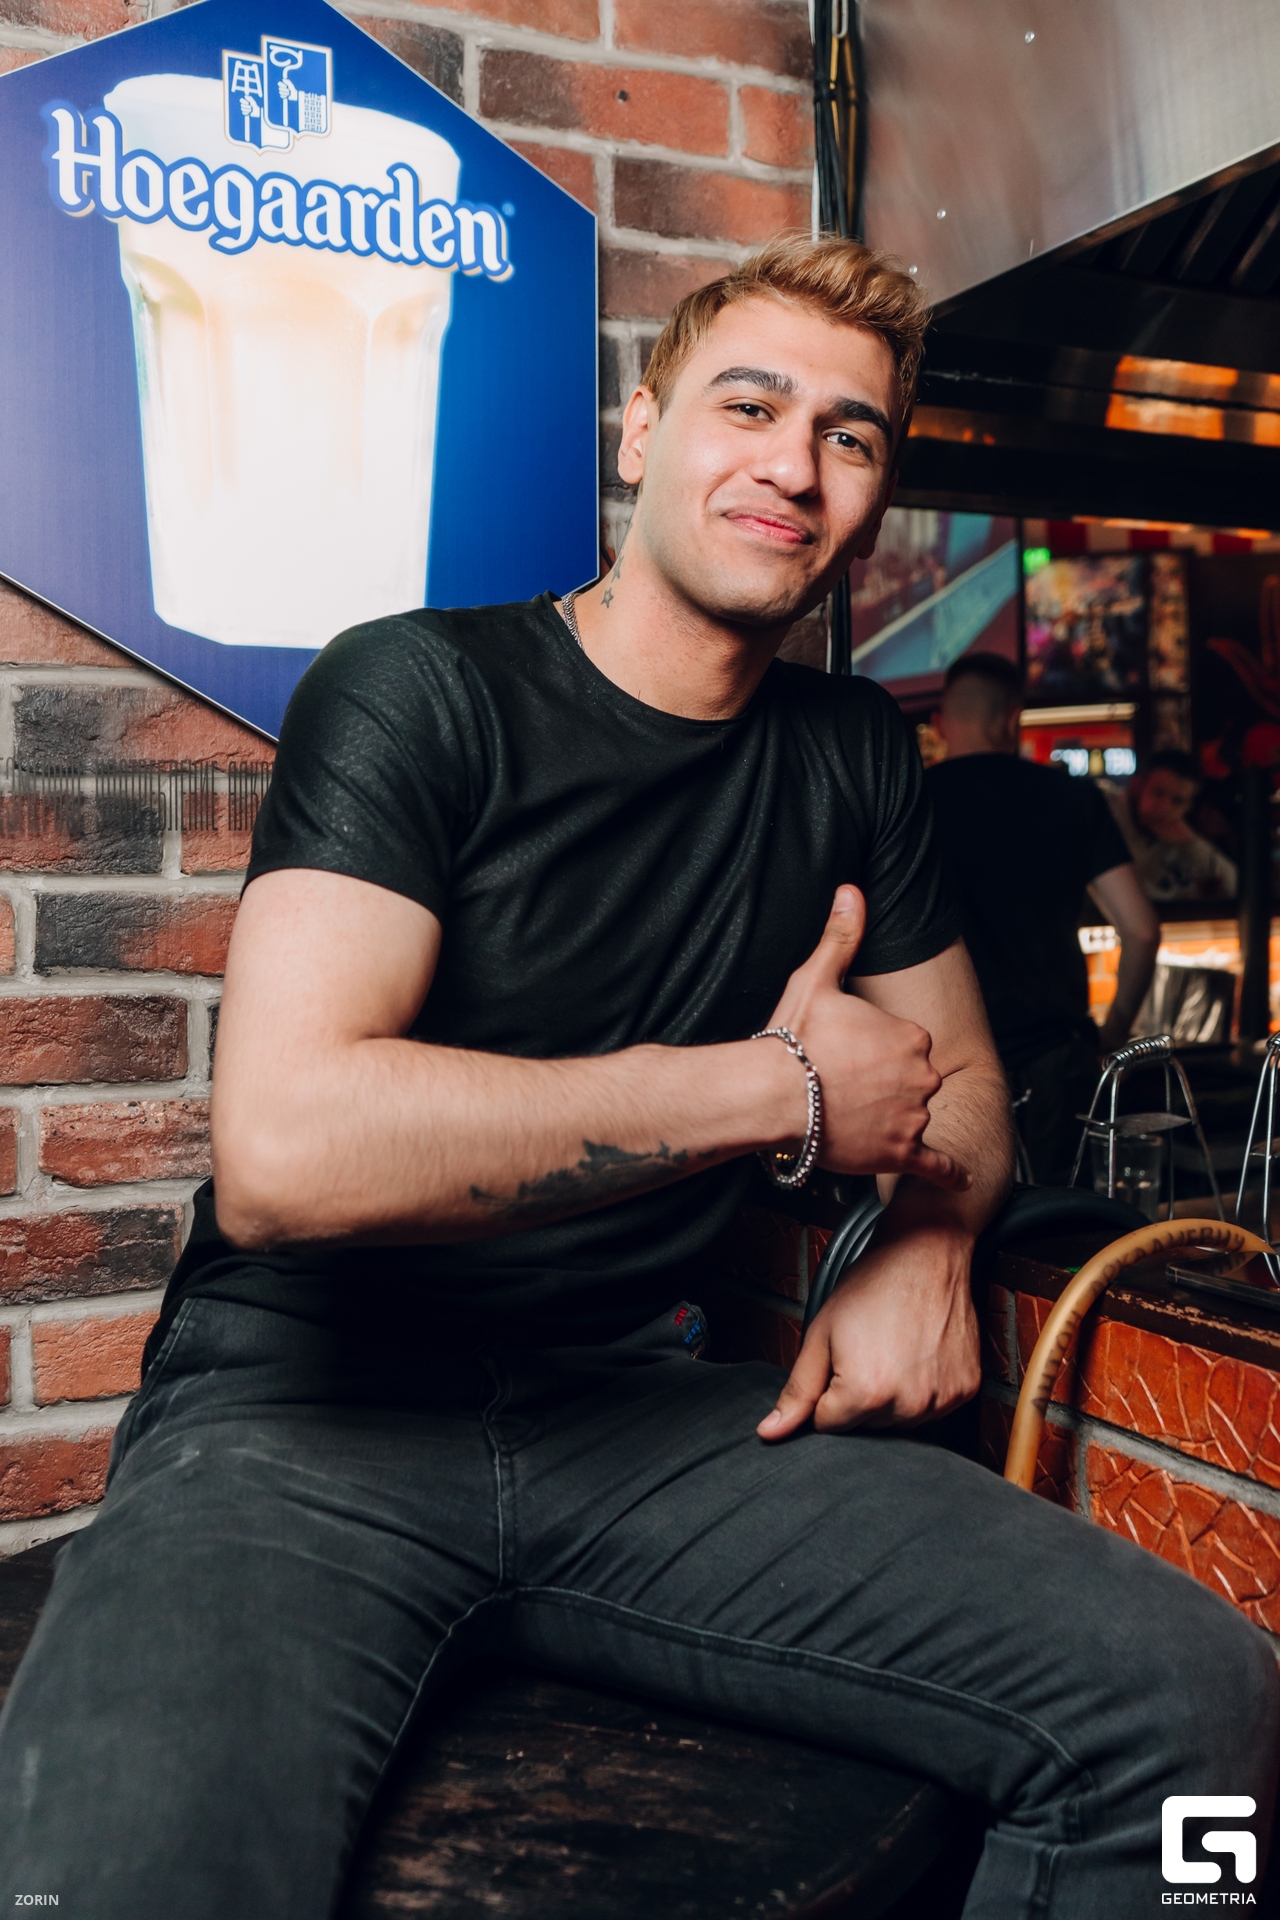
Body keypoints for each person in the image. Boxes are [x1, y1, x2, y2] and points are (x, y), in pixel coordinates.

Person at [1, 238, 1273, 1920]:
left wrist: (928, 1240)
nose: (794, 465)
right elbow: (290, 1153)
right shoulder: (418, 686)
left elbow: (964, 1086)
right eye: (749, 406)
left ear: (875, 498)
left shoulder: (852, 757)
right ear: (641, 430)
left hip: (636, 1420)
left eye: (849, 436)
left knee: (1199, 1711)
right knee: (129, 1881)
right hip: (301, 1415)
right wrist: (775, 1090)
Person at [927, 653, 1161, 1185]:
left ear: (941, 723)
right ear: (1013, 717)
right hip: (1058, 1058)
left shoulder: (911, 799)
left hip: (946, 1064)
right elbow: (1142, 929)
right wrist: (1113, 1033)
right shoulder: (1073, 797)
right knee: (1061, 1224)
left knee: (953, 1219)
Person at [1103, 748, 1238, 902]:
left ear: (1188, 807)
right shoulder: (1106, 816)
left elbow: (1235, 886)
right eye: (1158, 793)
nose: (1165, 808)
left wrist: (1192, 844)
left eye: (1177, 801)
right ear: (1137, 785)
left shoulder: (1178, 836)